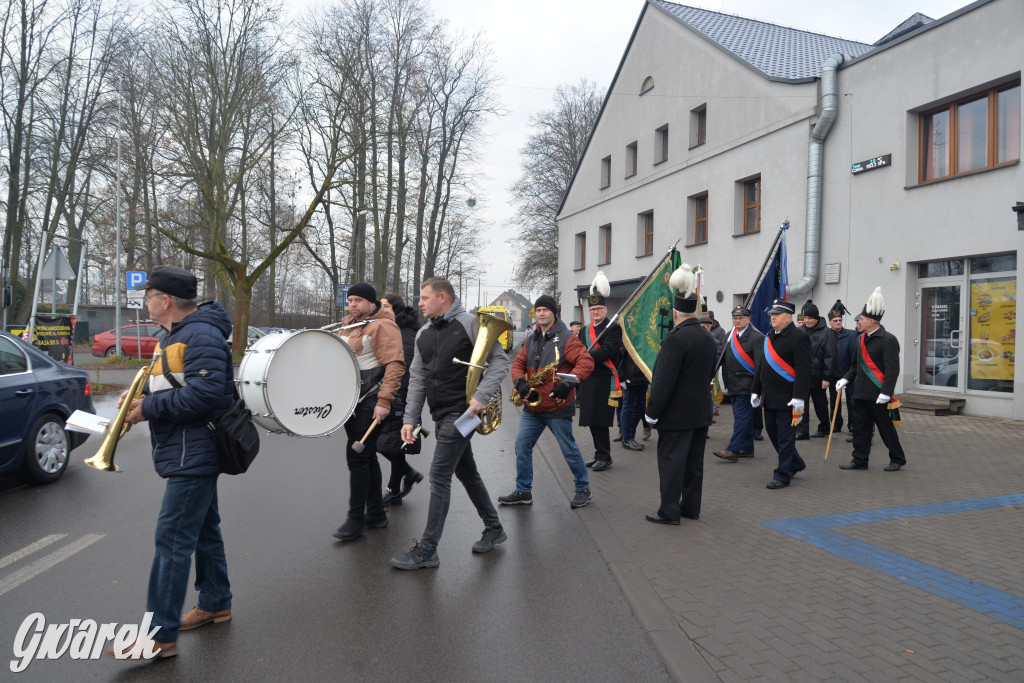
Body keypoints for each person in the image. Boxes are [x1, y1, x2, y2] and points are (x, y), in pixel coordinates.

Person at [106, 266, 236, 660]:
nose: (145, 303)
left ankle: (159, 637)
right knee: (202, 531)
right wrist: (139, 398)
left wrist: (148, 407)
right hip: (184, 447)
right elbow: (174, 381)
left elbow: (211, 394)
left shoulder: (200, 333)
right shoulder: (176, 335)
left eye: (148, 297)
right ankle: (215, 601)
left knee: (172, 541)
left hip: (192, 452)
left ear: (165, 300)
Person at [391, 277, 509, 570]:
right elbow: (417, 379)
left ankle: (427, 549)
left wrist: (481, 397)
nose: (419, 303)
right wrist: (410, 419)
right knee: (467, 472)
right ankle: (494, 527)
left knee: (439, 475)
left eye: (424, 297)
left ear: (443, 297)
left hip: (465, 414)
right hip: (441, 414)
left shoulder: (469, 323)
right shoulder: (423, 334)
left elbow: (500, 362)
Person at [500, 295, 595, 508]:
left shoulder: (567, 338)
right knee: (522, 446)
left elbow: (586, 362)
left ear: (554, 312)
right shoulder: (533, 337)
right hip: (532, 407)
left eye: (545, 310)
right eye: (538, 310)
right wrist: (519, 382)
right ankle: (523, 491)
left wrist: (568, 384)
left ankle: (583, 489)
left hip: (556, 405)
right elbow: (517, 364)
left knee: (568, 450)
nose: (541, 314)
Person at [332, 283, 406, 541]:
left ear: (372, 303)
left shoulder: (383, 326)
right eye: (350, 300)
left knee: (356, 457)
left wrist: (384, 401)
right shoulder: (347, 324)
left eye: (358, 300)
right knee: (367, 456)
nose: (353, 304)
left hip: (370, 400)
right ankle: (375, 514)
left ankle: (355, 519)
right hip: (350, 401)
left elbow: (395, 365)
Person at [644, 264, 717, 523]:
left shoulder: (675, 339)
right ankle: (690, 508)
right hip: (700, 413)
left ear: (675, 314)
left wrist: (652, 413)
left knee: (671, 464)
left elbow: (663, 382)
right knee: (694, 465)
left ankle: (669, 512)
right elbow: (709, 375)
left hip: (676, 416)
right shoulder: (709, 338)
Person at [836, 287, 907, 472]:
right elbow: (854, 366)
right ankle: (859, 460)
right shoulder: (859, 339)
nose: (859, 321)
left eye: (863, 319)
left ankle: (897, 459)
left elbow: (892, 370)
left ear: (872, 321)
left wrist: (885, 393)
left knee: (886, 429)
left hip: (878, 394)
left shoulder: (888, 340)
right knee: (860, 429)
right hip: (860, 392)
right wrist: (845, 379)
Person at [750, 299, 811, 490]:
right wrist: (755, 390)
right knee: (773, 433)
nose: (773, 317)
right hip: (769, 396)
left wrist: (800, 396)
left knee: (785, 437)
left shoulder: (799, 337)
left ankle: (783, 474)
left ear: (788, 317)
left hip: (788, 397)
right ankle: (796, 463)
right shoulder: (770, 336)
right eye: (772, 314)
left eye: (777, 315)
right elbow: (762, 367)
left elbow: (804, 370)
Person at [377, 293, 424, 506]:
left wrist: (397, 398)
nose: (381, 309)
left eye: (385, 306)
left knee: (389, 444)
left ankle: (396, 487)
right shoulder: (392, 328)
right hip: (392, 395)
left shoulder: (403, 333)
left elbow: (405, 369)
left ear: (395, 309)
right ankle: (403, 479)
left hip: (400, 396)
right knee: (389, 443)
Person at [578, 271, 623, 471]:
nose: (596, 312)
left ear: (605, 309)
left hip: (604, 378)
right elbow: (578, 349)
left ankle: (605, 456)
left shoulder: (612, 328)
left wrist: (586, 358)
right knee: (591, 420)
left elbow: (609, 350)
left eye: (599, 309)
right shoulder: (583, 330)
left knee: (601, 420)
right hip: (589, 378)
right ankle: (598, 454)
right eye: (593, 309)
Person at [713, 306, 765, 462]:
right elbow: (720, 357)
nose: (737, 320)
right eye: (735, 318)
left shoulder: (756, 338)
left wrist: (757, 389)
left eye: (741, 318)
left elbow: (759, 365)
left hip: (747, 385)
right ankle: (747, 448)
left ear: (748, 319)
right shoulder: (730, 336)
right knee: (743, 418)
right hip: (732, 384)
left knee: (741, 419)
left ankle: (733, 449)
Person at [795, 301, 836, 440]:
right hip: (802, 376)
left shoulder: (826, 333)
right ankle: (802, 431)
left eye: (810, 318)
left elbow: (829, 356)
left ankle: (824, 427)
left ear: (817, 318)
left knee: (820, 404)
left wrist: (826, 377)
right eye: (805, 318)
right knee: (801, 403)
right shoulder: (799, 331)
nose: (807, 320)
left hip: (818, 376)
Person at [827, 300, 856, 434]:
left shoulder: (850, 335)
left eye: (840, 320)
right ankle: (836, 424)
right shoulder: (827, 335)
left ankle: (852, 425)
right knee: (834, 402)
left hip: (848, 373)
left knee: (851, 401)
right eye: (835, 321)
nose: (838, 322)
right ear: (830, 323)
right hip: (833, 374)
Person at [618, 349, 650, 450]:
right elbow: (618, 358)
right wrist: (621, 376)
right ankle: (627, 438)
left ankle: (629, 435)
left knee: (640, 408)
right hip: (629, 378)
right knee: (628, 407)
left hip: (642, 377)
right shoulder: (626, 336)